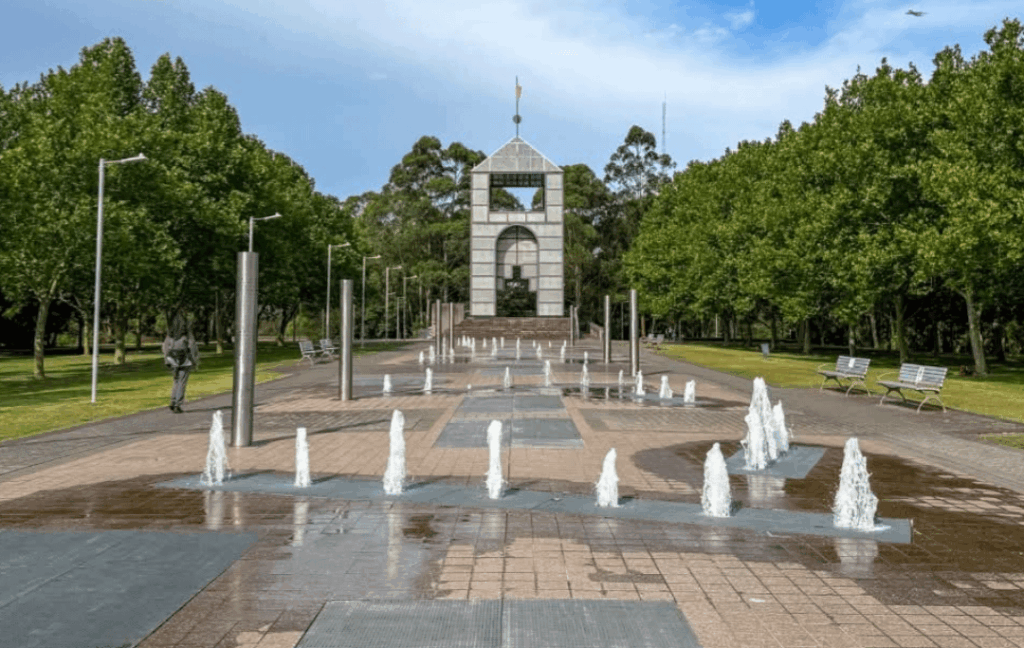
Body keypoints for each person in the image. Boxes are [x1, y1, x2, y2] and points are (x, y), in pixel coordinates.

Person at [162, 315, 200, 413]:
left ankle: (173, 401)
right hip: (185, 361)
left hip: (173, 360)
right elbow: (192, 347)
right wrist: (195, 361)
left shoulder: (170, 335)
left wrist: (167, 359)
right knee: (182, 382)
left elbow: (165, 347)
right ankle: (177, 404)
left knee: (176, 381)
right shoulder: (186, 334)